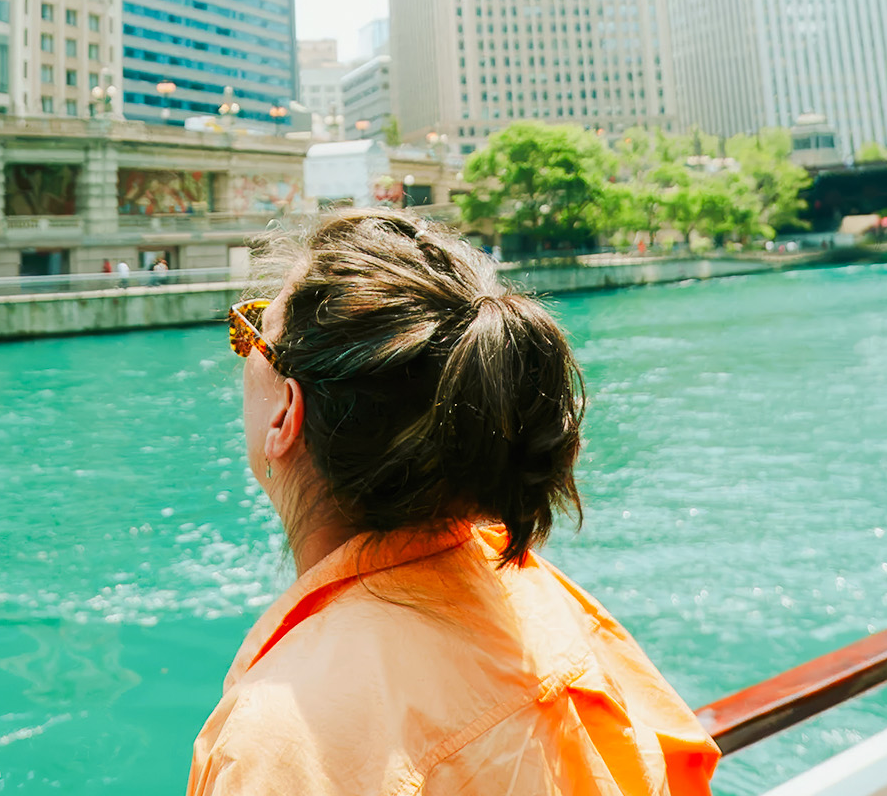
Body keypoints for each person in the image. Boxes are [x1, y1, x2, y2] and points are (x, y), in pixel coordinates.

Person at [193, 209, 717, 796]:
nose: (242, 354)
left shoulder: (283, 743)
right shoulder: (541, 600)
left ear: (287, 412)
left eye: (250, 334)